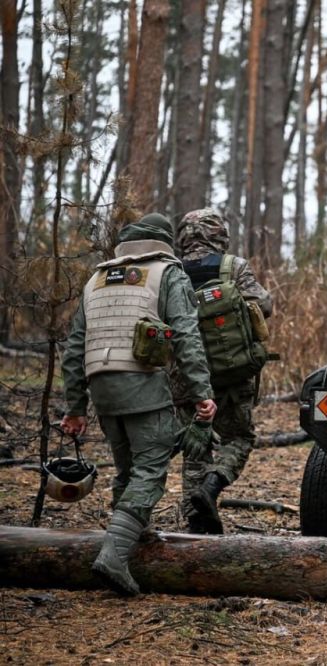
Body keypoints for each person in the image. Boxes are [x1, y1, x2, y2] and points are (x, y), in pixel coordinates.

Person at [61, 213, 216, 596]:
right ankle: (113, 556)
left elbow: (74, 347)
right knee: (150, 468)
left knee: (127, 468)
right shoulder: (167, 273)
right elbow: (186, 334)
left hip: (102, 388)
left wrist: (76, 407)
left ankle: (135, 542)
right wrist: (202, 392)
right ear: (163, 242)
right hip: (142, 382)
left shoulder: (95, 280)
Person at [173, 208, 273, 534]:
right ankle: (212, 487)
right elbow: (265, 305)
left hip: (186, 376)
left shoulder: (172, 272)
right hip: (234, 372)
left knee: (195, 446)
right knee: (239, 437)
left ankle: (196, 523)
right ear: (220, 235)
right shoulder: (233, 267)